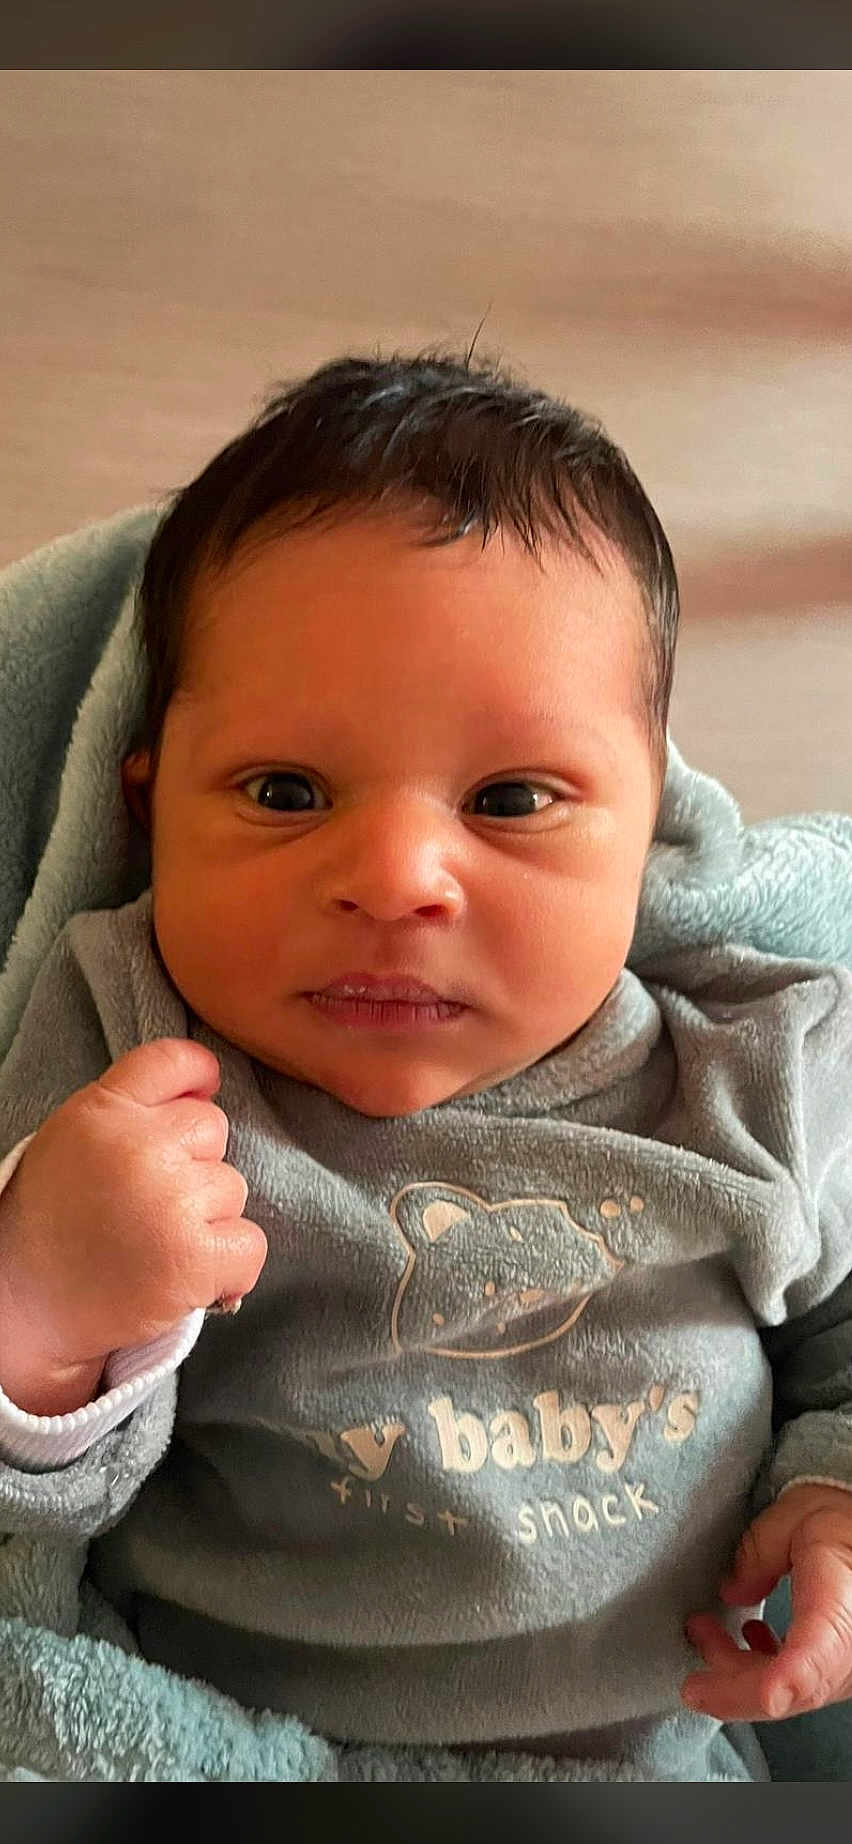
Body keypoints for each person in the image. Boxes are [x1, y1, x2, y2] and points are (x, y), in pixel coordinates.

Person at [0, 351, 849, 1781]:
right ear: (150, 810)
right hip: (245, 1756)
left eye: (511, 800)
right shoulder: (135, 1047)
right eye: (283, 793)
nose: (395, 879)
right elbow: (37, 1510)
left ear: (651, 830)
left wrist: (833, 1491)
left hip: (661, 1757)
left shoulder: (749, 1064)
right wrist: (38, 1304)